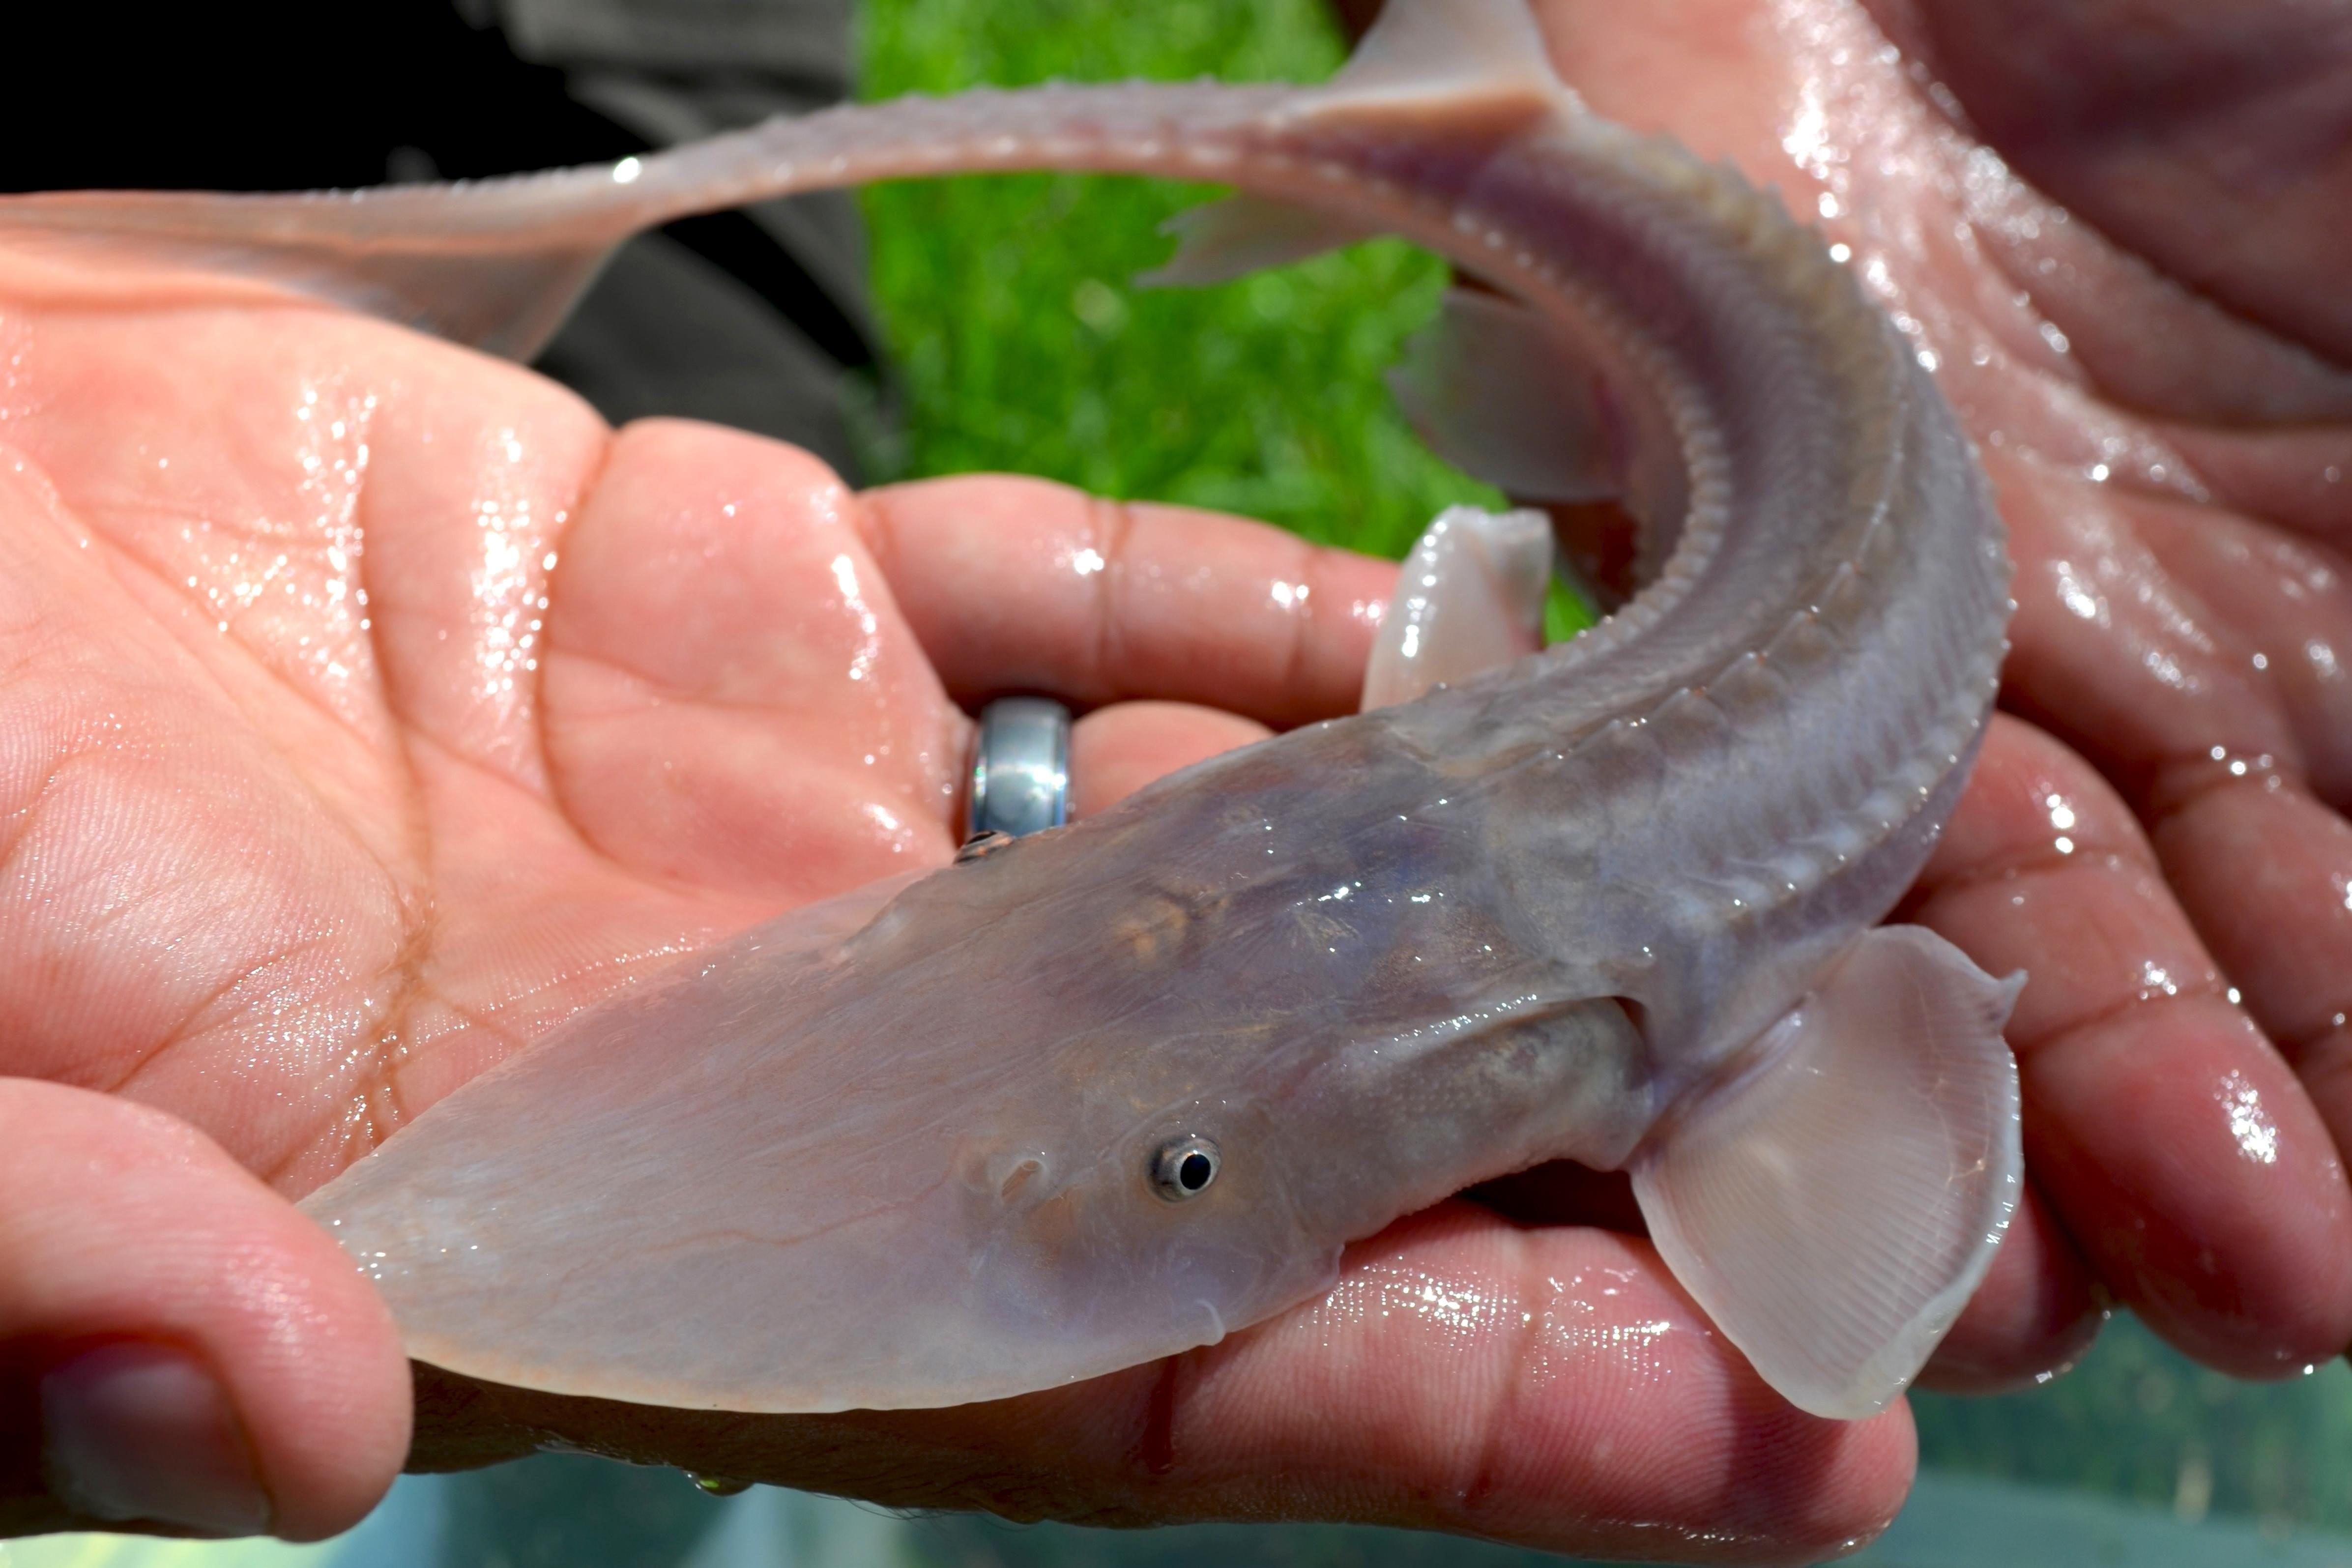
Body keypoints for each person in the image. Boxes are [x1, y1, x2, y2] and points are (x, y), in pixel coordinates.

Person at [0, 0, 2345, 1558]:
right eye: (1178, 1165)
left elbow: (1841, 1276)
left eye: (1190, 1171)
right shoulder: (1429, 754)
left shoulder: (1658, 1006)